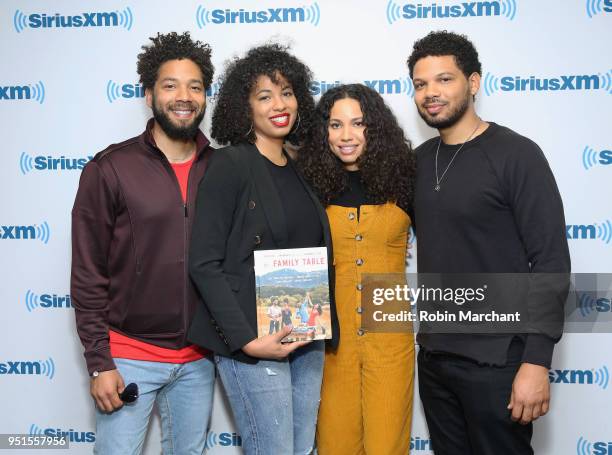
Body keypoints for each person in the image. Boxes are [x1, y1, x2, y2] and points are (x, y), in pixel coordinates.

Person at [407, 31, 571, 454]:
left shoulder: (517, 155)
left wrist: (536, 361)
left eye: (444, 80)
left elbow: (550, 261)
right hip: (435, 359)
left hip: (499, 361)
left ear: (473, 83)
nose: (431, 93)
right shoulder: (418, 163)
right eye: (421, 84)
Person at [187, 44, 339, 455]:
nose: (279, 104)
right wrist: (247, 342)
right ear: (244, 107)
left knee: (302, 448)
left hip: (307, 337)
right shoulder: (230, 164)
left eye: (287, 92)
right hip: (256, 343)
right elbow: (203, 263)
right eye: (265, 95)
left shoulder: (301, 167)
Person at [70, 32, 216, 454]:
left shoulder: (222, 168)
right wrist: (99, 362)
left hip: (199, 360)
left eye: (195, 86)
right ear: (149, 95)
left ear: (205, 96)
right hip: (129, 357)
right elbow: (87, 272)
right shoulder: (110, 168)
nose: (184, 96)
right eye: (170, 85)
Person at [299, 84, 416, 455]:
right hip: (331, 343)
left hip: (391, 340)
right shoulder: (308, 185)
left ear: (374, 128)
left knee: (388, 446)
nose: (346, 136)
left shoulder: (407, 181)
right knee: (336, 445)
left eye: (358, 123)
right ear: (323, 132)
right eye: (335, 125)